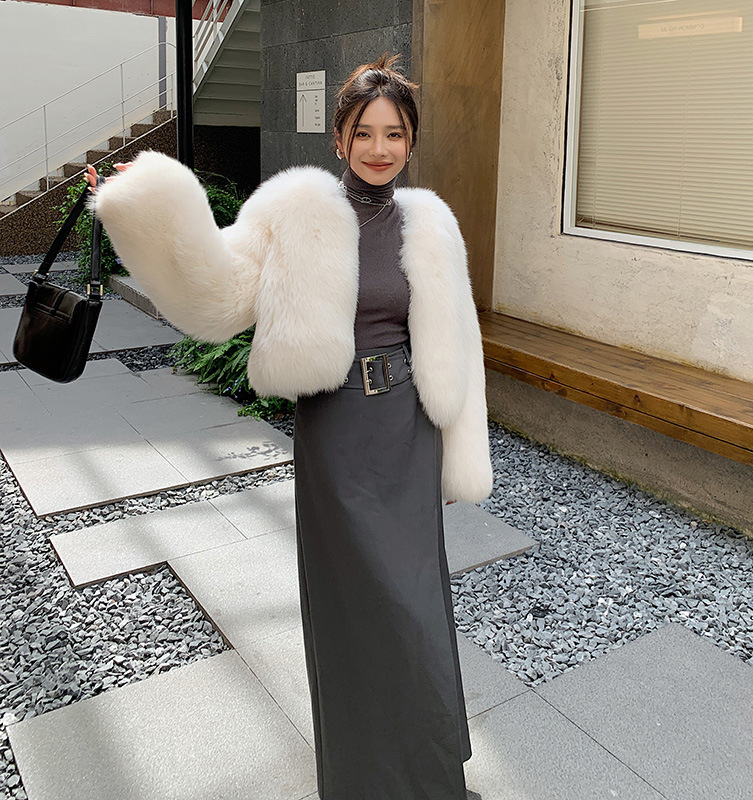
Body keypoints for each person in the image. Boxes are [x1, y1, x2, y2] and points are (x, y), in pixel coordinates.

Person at [85, 52, 491, 800]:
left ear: (411, 141)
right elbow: (216, 293)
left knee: (417, 610)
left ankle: (432, 774)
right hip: (337, 433)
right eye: (363, 132)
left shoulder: (430, 221)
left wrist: (460, 452)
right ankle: (363, 782)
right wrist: (149, 208)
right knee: (355, 615)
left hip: (407, 430)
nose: (379, 148)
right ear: (338, 138)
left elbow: (459, 340)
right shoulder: (295, 210)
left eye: (394, 134)